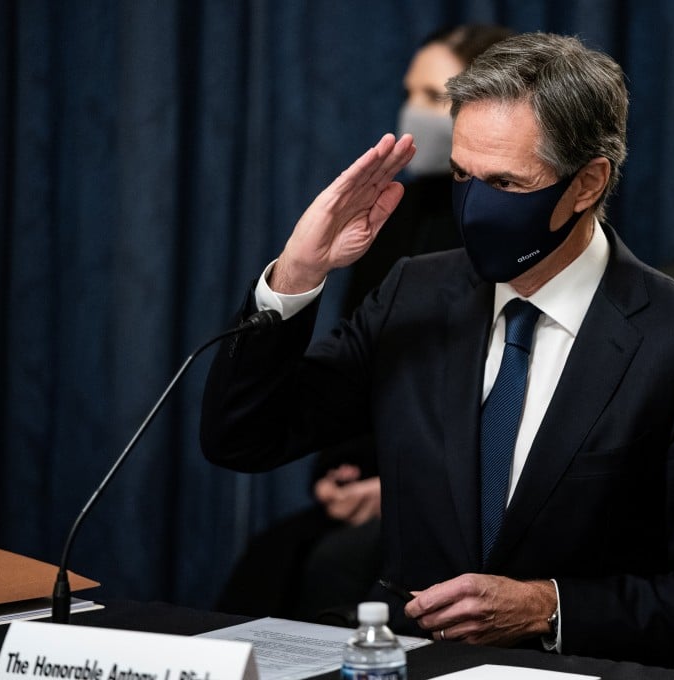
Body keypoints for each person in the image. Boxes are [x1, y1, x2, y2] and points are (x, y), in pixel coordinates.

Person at [201, 33, 674, 671]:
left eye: (506, 183)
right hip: (410, 661)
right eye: (461, 174)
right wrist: (295, 274)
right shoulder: (415, 293)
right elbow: (244, 438)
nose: (473, 208)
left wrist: (550, 607)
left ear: (587, 183)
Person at [214, 25, 512, 623]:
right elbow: (360, 365)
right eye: (411, 92)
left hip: (460, 505)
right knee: (266, 565)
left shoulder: (511, 235)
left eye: (433, 97)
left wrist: (394, 485)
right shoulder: (392, 222)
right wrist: (341, 473)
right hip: (379, 476)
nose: (412, 112)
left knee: (335, 569)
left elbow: (506, 398)